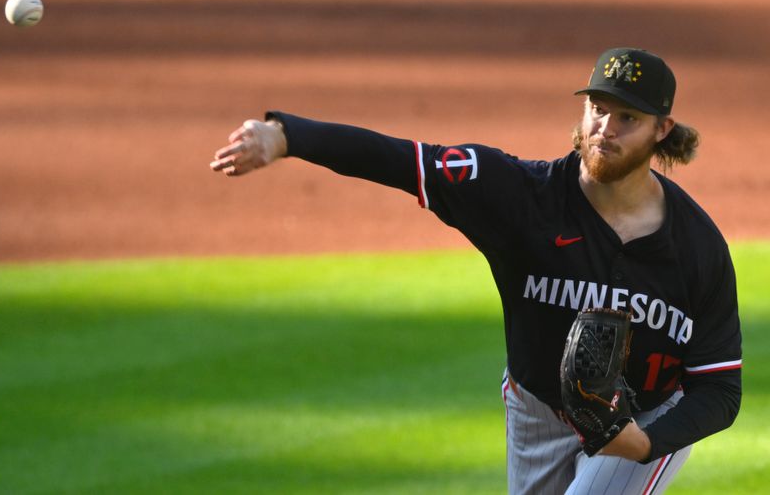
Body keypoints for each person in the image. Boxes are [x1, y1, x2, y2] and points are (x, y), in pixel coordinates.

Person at [210, 48, 742, 494]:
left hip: (643, 418)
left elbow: (719, 390)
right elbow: (403, 159)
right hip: (536, 410)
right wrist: (287, 137)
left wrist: (645, 443)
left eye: (627, 118)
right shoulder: (518, 195)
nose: (606, 128)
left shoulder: (698, 248)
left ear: (662, 130)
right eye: (598, 109)